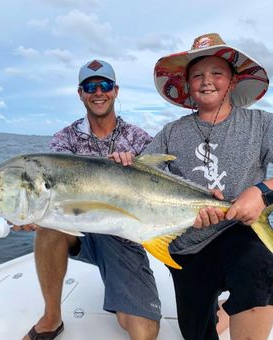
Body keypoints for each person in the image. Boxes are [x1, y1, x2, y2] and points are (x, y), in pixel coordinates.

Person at [110, 33, 273, 339]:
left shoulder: (261, 125)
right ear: (187, 85)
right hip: (184, 247)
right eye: (197, 75)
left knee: (259, 272)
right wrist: (123, 164)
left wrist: (262, 193)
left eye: (217, 73)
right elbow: (140, 181)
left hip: (237, 231)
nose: (206, 80)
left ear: (233, 81)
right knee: (197, 332)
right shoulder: (171, 132)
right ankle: (216, 310)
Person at [22, 59, 161, 340]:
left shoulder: (137, 138)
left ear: (116, 90)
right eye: (90, 86)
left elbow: (160, 188)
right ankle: (51, 317)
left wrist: (136, 167)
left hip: (123, 237)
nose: (98, 92)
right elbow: (50, 190)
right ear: (80, 93)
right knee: (49, 228)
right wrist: (29, 214)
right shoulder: (65, 139)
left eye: (105, 85)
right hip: (78, 229)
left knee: (144, 331)